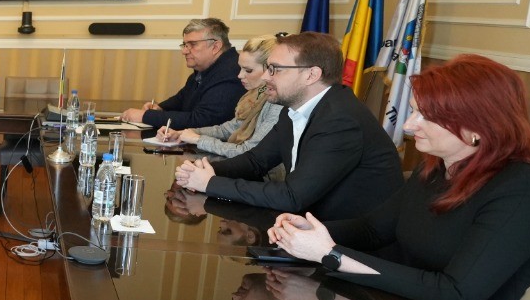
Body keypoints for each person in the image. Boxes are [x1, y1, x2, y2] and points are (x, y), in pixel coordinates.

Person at [268, 54, 530, 300]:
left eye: (426, 116)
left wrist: (330, 254)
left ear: (476, 127)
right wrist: (306, 232)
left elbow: (454, 294)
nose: (409, 126)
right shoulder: (437, 168)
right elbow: (373, 229)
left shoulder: (528, 191)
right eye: (413, 111)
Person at [172, 31, 402, 220]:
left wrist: (211, 183)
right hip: (310, 227)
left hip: (352, 240)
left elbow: (292, 196)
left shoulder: (340, 120)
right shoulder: (293, 109)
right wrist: (204, 170)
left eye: (275, 69)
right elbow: (256, 161)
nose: (265, 77)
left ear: (311, 75)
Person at [153, 32, 282, 158]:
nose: (239, 75)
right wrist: (184, 133)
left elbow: (249, 152)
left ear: (270, 70)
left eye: (248, 70)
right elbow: (228, 129)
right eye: (241, 68)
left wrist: (198, 139)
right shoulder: (255, 93)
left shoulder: (277, 104)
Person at [120, 18, 247, 133]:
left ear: (215, 47)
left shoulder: (231, 72)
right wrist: (160, 108)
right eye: (185, 45)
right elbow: (182, 99)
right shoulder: (206, 69)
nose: (184, 51)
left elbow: (202, 121)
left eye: (192, 45)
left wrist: (145, 116)